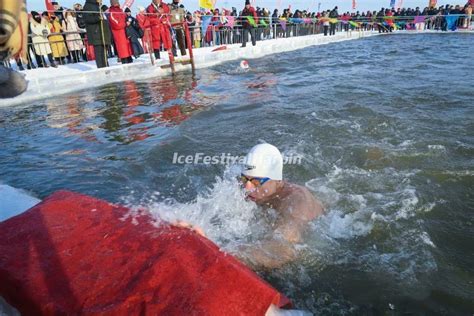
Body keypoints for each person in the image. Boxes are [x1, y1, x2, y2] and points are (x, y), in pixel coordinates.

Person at [236, 144, 324, 268]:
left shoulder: (295, 203)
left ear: (277, 180)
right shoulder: (256, 190)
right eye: (244, 179)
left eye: (256, 181)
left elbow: (284, 250)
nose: (247, 188)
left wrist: (233, 254)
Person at [83, 0, 112, 68]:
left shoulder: (97, 6)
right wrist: (97, 18)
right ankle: (102, 68)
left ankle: (106, 66)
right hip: (96, 32)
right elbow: (87, 19)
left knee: (104, 52)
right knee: (99, 53)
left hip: (102, 32)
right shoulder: (88, 6)